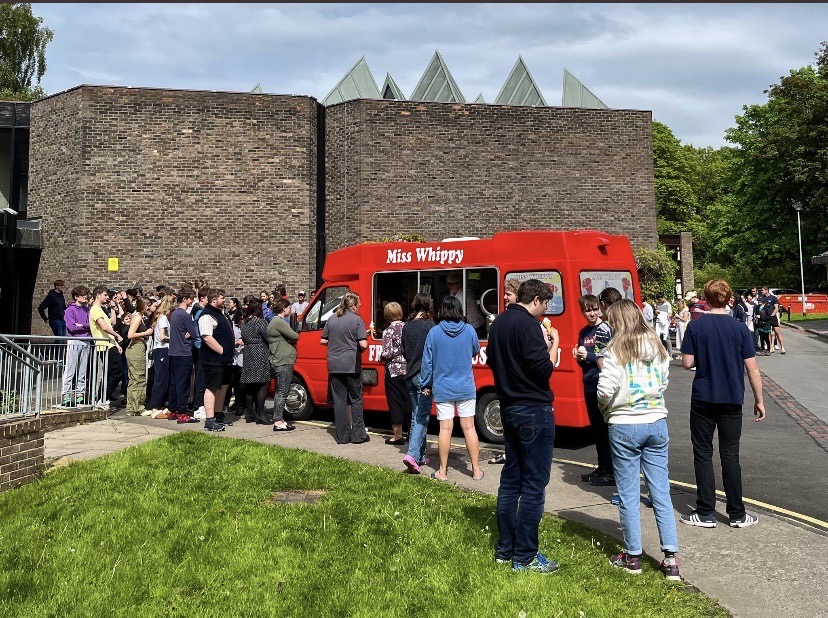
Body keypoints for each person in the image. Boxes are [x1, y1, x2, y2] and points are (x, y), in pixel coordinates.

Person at [597, 300, 680, 581]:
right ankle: (671, 559)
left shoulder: (615, 349)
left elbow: (604, 390)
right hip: (656, 421)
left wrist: (606, 409)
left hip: (624, 423)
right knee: (661, 492)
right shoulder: (658, 346)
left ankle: (633, 556)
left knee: (628, 494)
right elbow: (663, 382)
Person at [486, 279, 560, 573]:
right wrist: (553, 345)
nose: (546, 310)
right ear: (537, 299)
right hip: (533, 407)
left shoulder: (499, 323)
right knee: (533, 483)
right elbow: (543, 368)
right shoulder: (529, 325)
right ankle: (525, 556)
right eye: (545, 303)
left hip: (508, 405)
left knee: (511, 480)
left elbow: (492, 361)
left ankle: (505, 549)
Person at [680, 279, 765, 529]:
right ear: (729, 299)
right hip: (731, 397)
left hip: (704, 397)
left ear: (706, 299)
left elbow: (687, 363)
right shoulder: (740, 329)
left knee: (703, 453)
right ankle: (737, 514)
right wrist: (759, 400)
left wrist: (704, 357)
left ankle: (705, 511)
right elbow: (752, 369)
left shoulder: (696, 326)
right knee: (730, 455)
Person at [419, 295, 483, 481]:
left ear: (442, 310)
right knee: (469, 427)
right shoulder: (469, 330)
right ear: (459, 310)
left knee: (445, 429)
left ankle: (442, 471)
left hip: (443, 386)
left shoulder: (434, 332)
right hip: (465, 386)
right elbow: (475, 350)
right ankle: (476, 470)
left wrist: (425, 383)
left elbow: (427, 362)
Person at [573, 294, 615, 486]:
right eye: (587, 310)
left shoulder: (605, 329)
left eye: (595, 309)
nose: (592, 313)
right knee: (597, 430)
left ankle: (610, 470)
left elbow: (606, 360)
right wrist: (579, 358)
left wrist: (588, 356)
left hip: (602, 384)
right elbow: (585, 363)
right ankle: (602, 466)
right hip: (589, 383)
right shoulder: (583, 332)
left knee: (605, 429)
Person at [321, 292, 369, 444]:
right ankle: (358, 435)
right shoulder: (357, 320)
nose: (359, 307)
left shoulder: (332, 318)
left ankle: (342, 436)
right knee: (356, 400)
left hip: (334, 364)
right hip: (351, 364)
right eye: (358, 305)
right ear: (353, 306)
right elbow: (363, 344)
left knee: (339, 401)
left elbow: (323, 340)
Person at [401, 293, 436, 473]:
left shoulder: (407, 326)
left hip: (410, 374)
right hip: (424, 376)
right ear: (429, 306)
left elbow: (403, 351)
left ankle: (421, 455)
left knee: (416, 414)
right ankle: (412, 454)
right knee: (421, 417)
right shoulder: (431, 326)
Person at [489, 278, 520, 465]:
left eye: (508, 294)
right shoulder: (504, 318)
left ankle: (514, 455)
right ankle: (510, 453)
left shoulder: (518, 320)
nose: (505, 297)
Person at [199, 288, 234, 432]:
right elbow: (207, 337)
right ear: (214, 300)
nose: (224, 300)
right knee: (212, 387)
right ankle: (210, 419)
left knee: (223, 386)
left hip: (224, 360)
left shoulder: (221, 313)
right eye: (222, 298)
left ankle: (218, 414)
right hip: (213, 359)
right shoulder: (207, 315)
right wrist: (222, 351)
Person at [89, 286, 125, 410]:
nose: (107, 297)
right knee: (117, 372)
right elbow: (104, 327)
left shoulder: (101, 309)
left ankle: (102, 398)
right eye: (105, 295)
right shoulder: (95, 309)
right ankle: (103, 398)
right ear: (97, 295)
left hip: (109, 344)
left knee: (110, 373)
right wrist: (117, 335)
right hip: (104, 345)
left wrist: (115, 343)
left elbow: (111, 324)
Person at [168, 287, 200, 424]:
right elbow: (194, 333)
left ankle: (173, 410)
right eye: (190, 299)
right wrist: (189, 336)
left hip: (173, 352)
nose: (192, 301)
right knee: (183, 384)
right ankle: (182, 412)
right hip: (184, 352)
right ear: (185, 299)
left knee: (174, 383)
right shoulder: (185, 315)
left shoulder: (174, 314)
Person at [268, 298, 300, 432]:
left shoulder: (276, 321)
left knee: (281, 391)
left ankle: (279, 419)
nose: (290, 309)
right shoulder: (278, 322)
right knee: (282, 391)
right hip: (282, 361)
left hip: (281, 359)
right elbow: (295, 335)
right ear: (284, 309)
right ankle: (278, 421)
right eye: (289, 307)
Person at [380, 302, 410, 445]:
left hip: (394, 371)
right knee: (409, 402)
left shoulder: (388, 331)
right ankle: (412, 433)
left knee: (395, 402)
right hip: (409, 369)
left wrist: (381, 357)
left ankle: (398, 436)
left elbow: (388, 352)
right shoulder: (408, 328)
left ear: (387, 315)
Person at [241, 299, 272, 425]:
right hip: (259, 352)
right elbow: (268, 337)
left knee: (250, 385)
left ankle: (250, 414)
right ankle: (261, 413)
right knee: (262, 383)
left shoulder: (244, 323)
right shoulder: (260, 322)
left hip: (248, 353)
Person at [61, 286, 92, 407]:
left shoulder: (86, 309)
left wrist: (81, 325)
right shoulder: (70, 310)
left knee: (82, 370)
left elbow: (91, 325)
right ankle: (66, 396)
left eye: (86, 295)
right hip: (74, 340)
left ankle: (80, 395)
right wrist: (85, 326)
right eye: (83, 295)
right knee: (70, 369)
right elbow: (72, 327)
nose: (85, 297)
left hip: (86, 340)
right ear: (76, 297)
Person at [146, 295, 174, 418]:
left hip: (163, 350)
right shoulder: (162, 318)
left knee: (165, 379)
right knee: (160, 379)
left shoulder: (161, 318)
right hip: (161, 350)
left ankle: (161, 405)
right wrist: (174, 338)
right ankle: (155, 408)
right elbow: (162, 337)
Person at [125, 297, 153, 416]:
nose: (149, 308)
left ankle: (131, 407)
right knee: (138, 378)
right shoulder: (137, 317)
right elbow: (130, 334)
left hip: (136, 347)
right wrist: (145, 333)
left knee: (134, 379)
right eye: (148, 305)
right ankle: (138, 407)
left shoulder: (138, 317)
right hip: (136, 348)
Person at [445, 272, 486, 338]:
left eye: (452, 284)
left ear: (459, 284)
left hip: (475, 327)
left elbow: (456, 315)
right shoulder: (453, 293)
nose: (449, 286)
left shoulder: (463, 296)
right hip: (466, 325)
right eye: (448, 284)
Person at [760, 286, 786, 354]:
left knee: (777, 332)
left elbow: (776, 308)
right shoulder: (762, 298)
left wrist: (772, 315)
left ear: (766, 290)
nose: (761, 291)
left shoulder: (773, 298)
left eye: (762, 290)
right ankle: (771, 347)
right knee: (769, 333)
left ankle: (782, 347)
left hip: (773, 317)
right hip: (766, 318)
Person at [654, 292, 673, 358]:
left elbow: (670, 314)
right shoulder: (658, 304)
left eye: (660, 299)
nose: (659, 301)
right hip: (659, 323)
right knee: (660, 338)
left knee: (667, 338)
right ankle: (663, 352)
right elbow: (656, 315)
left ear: (663, 298)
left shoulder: (667, 304)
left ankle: (670, 354)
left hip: (665, 323)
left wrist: (661, 313)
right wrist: (656, 312)